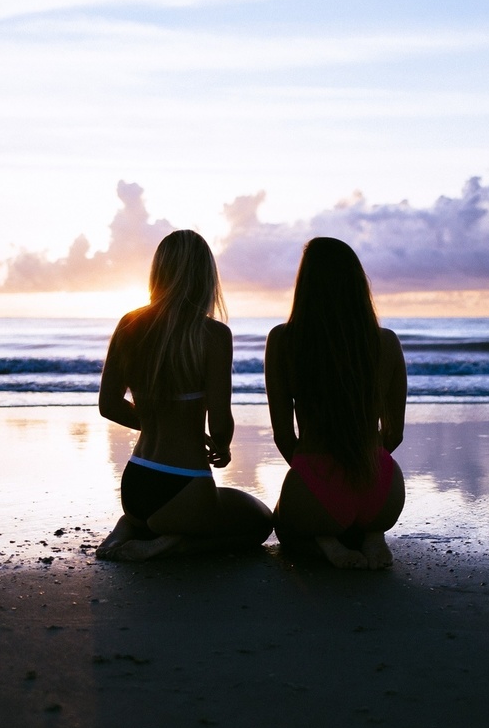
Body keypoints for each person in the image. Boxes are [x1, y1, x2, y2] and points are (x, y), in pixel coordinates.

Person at [95, 229, 273, 561]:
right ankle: (170, 544)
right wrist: (220, 444)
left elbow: (108, 405)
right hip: (185, 482)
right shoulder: (214, 335)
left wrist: (153, 422)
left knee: (175, 512)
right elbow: (220, 422)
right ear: (205, 277)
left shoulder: (129, 323)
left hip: (136, 483)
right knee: (259, 524)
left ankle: (131, 526)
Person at [265, 237, 407, 569]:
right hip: (383, 487)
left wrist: (312, 480)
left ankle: (328, 545)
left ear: (305, 284)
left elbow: (284, 437)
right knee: (360, 517)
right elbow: (395, 434)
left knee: (283, 525)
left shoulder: (284, 340)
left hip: (316, 478)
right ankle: (373, 536)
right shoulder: (385, 342)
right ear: (358, 284)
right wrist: (360, 462)